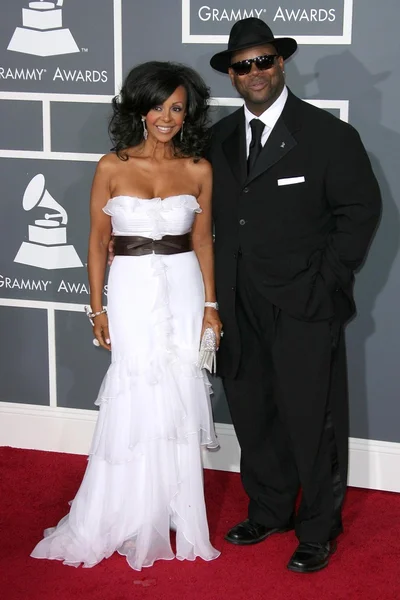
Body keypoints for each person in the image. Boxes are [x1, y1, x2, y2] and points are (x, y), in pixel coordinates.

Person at [31, 61, 222, 571]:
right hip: (132, 289)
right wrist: (98, 307)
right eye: (158, 105)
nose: (166, 117)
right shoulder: (111, 166)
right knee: (136, 389)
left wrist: (210, 306)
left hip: (184, 288)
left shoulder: (199, 169)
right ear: (139, 108)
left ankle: (169, 510)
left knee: (178, 392)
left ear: (188, 113)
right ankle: (122, 510)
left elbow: (203, 242)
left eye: (177, 107)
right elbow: (95, 242)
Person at [208, 18, 381, 573]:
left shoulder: (329, 137)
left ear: (281, 64)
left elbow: (359, 215)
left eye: (263, 61)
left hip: (304, 304)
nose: (254, 73)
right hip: (236, 304)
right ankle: (270, 508)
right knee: (253, 414)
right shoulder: (216, 140)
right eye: (243, 66)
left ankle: (318, 528)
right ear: (232, 76)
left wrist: (323, 279)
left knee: (313, 420)